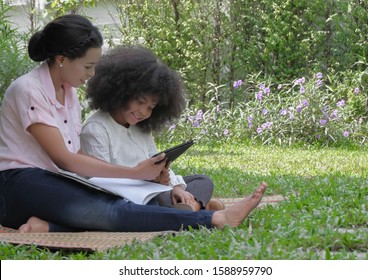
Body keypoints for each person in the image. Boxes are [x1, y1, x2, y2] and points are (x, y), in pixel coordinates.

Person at [0, 14, 268, 233]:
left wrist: (155, 179)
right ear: (62, 60)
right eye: (88, 66)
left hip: (55, 181)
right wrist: (134, 173)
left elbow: (75, 155)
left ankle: (51, 228)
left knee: (109, 206)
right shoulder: (29, 89)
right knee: (109, 209)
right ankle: (212, 219)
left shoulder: (68, 93)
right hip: (18, 184)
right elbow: (65, 159)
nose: (92, 74)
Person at [80, 46, 224, 212]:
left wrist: (173, 186)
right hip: (127, 196)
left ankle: (190, 209)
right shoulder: (95, 129)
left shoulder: (141, 128)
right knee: (150, 203)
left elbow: (159, 164)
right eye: (140, 102)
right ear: (121, 92)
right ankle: (198, 209)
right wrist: (145, 178)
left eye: (151, 107)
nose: (143, 112)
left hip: (153, 189)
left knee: (202, 180)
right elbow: (100, 182)